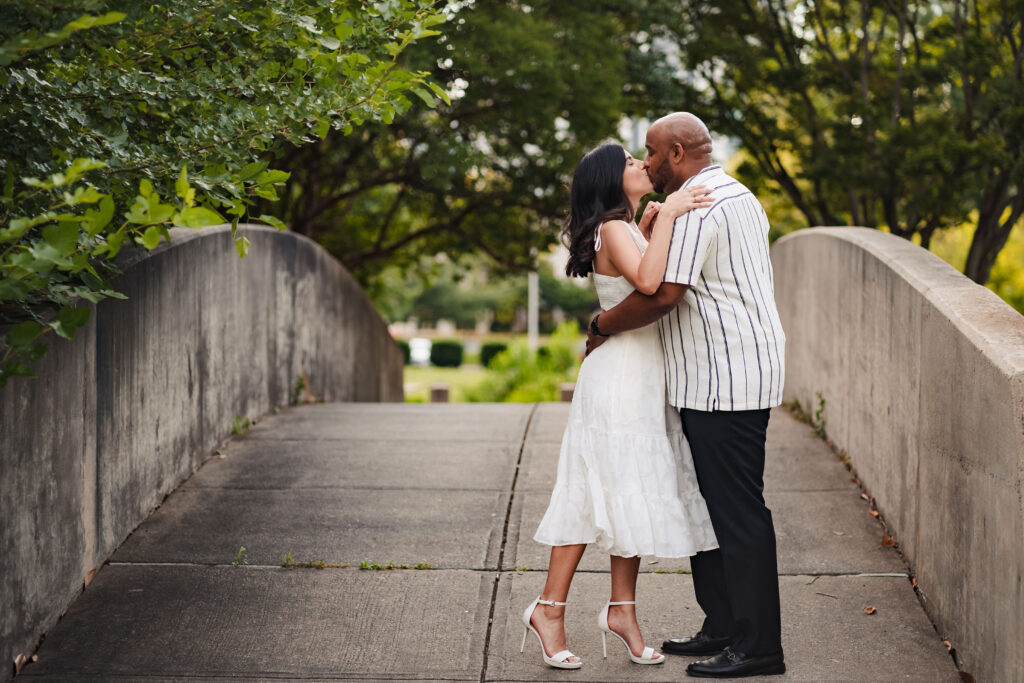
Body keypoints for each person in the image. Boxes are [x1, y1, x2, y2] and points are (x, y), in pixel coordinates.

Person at [586, 112, 787, 678]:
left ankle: (758, 646)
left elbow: (662, 294)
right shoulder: (735, 193)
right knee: (708, 505)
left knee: (737, 511)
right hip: (722, 373)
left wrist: (600, 325)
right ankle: (722, 626)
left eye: (649, 153)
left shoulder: (698, 203)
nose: (645, 163)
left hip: (724, 377)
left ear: (676, 152)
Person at [520, 142, 719, 670]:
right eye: (631, 162)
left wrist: (653, 227)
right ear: (612, 180)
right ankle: (549, 608)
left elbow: (642, 268)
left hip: (640, 376)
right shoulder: (611, 227)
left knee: (628, 492)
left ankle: (622, 611)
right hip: (619, 379)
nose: (642, 165)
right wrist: (672, 213)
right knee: (591, 495)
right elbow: (650, 283)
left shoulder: (626, 227)